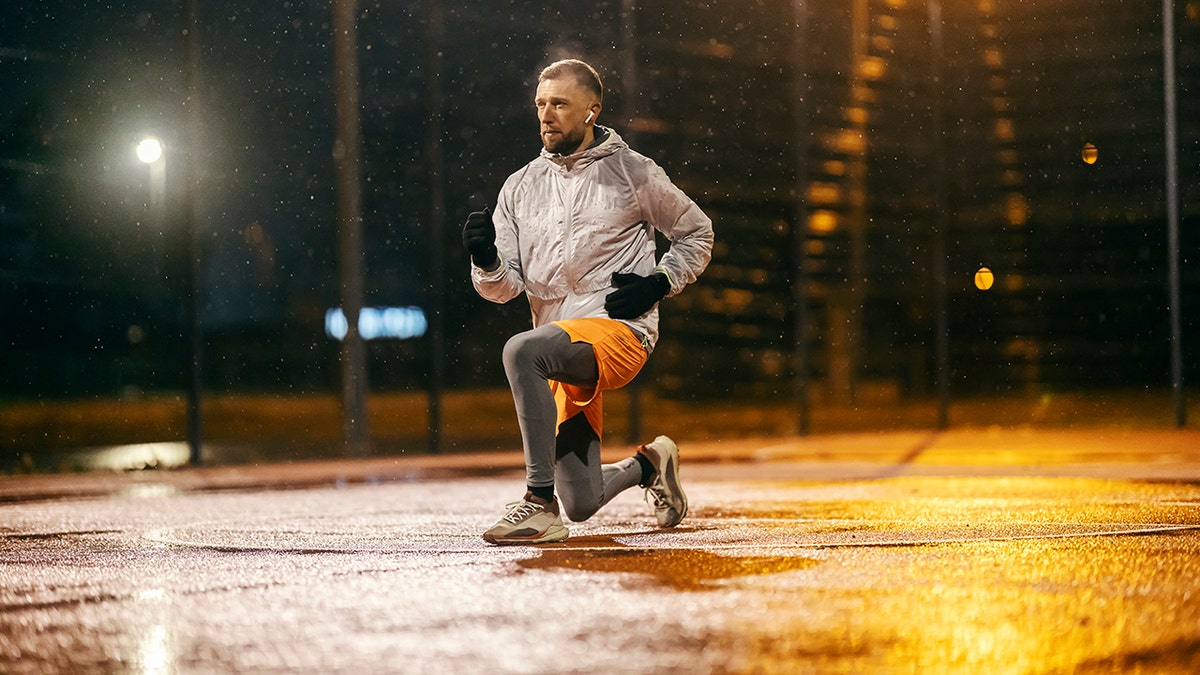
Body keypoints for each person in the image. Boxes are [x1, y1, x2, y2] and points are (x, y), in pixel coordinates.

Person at [462, 58, 714, 545]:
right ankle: (651, 463)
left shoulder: (632, 172)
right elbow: (503, 288)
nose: (546, 114)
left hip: (619, 333)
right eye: (540, 104)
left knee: (520, 350)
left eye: (560, 104)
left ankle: (537, 503)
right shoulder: (520, 187)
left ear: (592, 110)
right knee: (581, 501)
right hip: (559, 349)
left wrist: (660, 281)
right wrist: (486, 259)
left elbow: (697, 233)